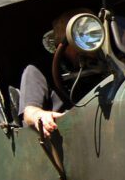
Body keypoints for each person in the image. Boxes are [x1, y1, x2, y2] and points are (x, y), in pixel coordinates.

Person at [20, 9, 104, 137]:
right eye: (80, 34)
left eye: (93, 33)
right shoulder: (39, 69)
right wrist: (40, 115)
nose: (88, 40)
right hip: (67, 135)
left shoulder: (106, 62)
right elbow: (29, 111)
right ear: (63, 40)